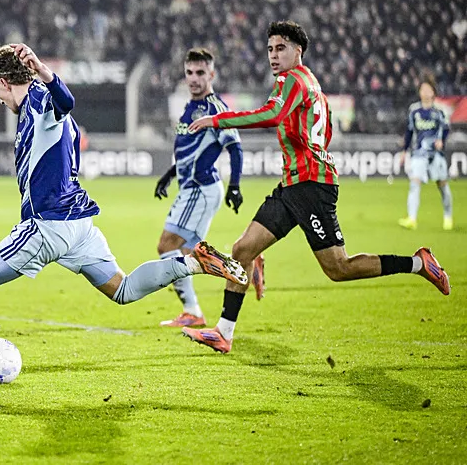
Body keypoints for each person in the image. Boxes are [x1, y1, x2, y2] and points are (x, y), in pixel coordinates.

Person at [0, 43, 248, 382]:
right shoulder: (34, 108)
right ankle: (194, 263)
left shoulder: (40, 102)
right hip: (79, 226)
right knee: (122, 288)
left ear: (5, 83)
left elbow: (66, 101)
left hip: (47, 227)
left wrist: (41, 69)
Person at [183, 21, 451, 354]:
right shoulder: (315, 89)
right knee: (242, 251)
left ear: (299, 50)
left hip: (311, 187)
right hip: (295, 184)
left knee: (339, 268)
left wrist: (217, 119)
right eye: (269, 49)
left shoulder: (293, 79)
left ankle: (419, 263)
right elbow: (324, 135)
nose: (273, 56)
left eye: (281, 48)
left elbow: (272, 115)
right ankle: (223, 333)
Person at [153, 48, 265, 329]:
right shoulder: (190, 107)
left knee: (167, 245)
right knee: (193, 254)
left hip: (199, 189)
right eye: (189, 72)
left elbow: (235, 148)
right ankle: (247, 264)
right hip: (193, 187)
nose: (193, 78)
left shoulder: (216, 108)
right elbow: (187, 150)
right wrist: (169, 174)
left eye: (200, 73)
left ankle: (192, 311)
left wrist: (235, 186)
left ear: (212, 74)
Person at [398, 76, 453, 230]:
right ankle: (412, 218)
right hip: (419, 153)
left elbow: (446, 129)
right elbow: (409, 131)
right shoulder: (414, 110)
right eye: (423, 89)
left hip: (436, 154)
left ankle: (448, 217)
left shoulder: (440, 111)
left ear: (433, 92)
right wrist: (404, 151)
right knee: (415, 183)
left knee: (442, 184)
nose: (425, 92)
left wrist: (442, 141)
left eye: (428, 89)